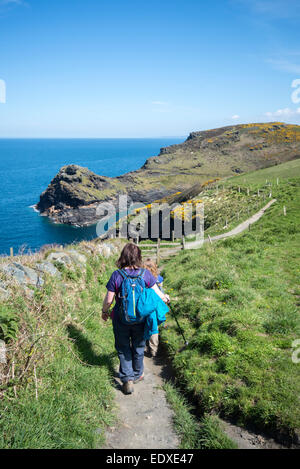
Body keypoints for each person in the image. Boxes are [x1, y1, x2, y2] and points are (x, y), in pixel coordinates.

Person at [102, 243, 170, 395]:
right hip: (140, 319)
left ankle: (127, 379)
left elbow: (108, 300)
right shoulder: (145, 274)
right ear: (138, 257)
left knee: (123, 347)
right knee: (139, 346)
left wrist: (104, 312)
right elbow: (156, 291)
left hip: (121, 319)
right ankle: (138, 373)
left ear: (123, 257)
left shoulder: (117, 275)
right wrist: (165, 297)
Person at [143, 258, 165, 357]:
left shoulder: (141, 278)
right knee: (154, 327)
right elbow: (161, 292)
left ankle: (141, 346)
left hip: (143, 305)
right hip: (155, 306)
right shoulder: (159, 279)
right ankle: (153, 350)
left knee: (142, 325)